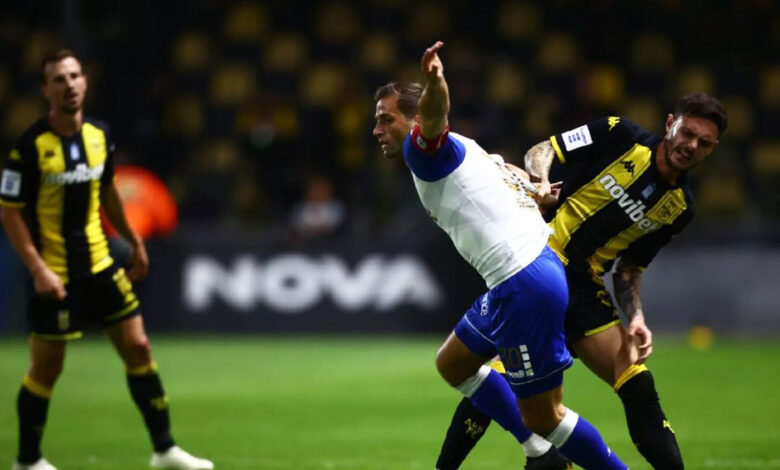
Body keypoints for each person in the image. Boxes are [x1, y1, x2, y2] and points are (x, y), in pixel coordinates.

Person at [434, 93, 727, 469]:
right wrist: (540, 180)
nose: (691, 146)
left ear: (713, 148)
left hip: (585, 291)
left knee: (638, 384)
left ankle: (546, 457)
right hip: (540, 265)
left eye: (704, 143)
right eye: (688, 133)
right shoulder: (620, 134)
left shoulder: (680, 209)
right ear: (671, 123)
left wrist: (636, 317)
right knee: (499, 382)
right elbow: (542, 150)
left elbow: (629, 268)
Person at [373, 41, 627, 470]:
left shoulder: (423, 150)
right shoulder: (467, 147)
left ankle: (562, 454)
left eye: (386, 119)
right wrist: (535, 187)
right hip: (532, 268)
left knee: (546, 415)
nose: (377, 129)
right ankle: (540, 452)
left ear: (414, 120)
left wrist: (436, 82)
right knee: (454, 363)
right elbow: (505, 169)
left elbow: (435, 115)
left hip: (521, 280)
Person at [0, 49, 213, 470]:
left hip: (100, 265)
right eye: (59, 79)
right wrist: (38, 269)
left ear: (84, 82)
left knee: (138, 347)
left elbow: (109, 192)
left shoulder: (99, 135)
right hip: (56, 274)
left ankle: (165, 450)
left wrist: (133, 241)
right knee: (47, 367)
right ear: (45, 90)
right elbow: (9, 213)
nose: (69, 85)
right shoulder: (29, 147)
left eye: (75, 76)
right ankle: (28, 461)